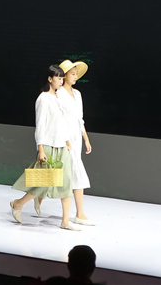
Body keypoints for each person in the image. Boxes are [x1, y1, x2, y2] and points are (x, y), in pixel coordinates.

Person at [10, 65, 79, 231]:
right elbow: (40, 126)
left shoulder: (58, 97)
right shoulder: (43, 98)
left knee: (66, 183)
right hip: (48, 145)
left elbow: (61, 123)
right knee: (42, 183)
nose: (61, 81)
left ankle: (65, 221)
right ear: (50, 78)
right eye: (58, 78)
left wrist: (66, 140)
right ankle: (18, 204)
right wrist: (40, 149)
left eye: (62, 78)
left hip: (61, 145)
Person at [55, 59, 93, 226]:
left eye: (76, 74)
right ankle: (78, 214)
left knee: (73, 174)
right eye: (72, 73)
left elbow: (80, 119)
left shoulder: (77, 94)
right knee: (74, 174)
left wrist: (86, 139)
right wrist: (65, 139)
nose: (75, 76)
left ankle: (79, 214)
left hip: (76, 138)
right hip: (66, 139)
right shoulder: (59, 93)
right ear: (64, 75)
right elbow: (59, 119)